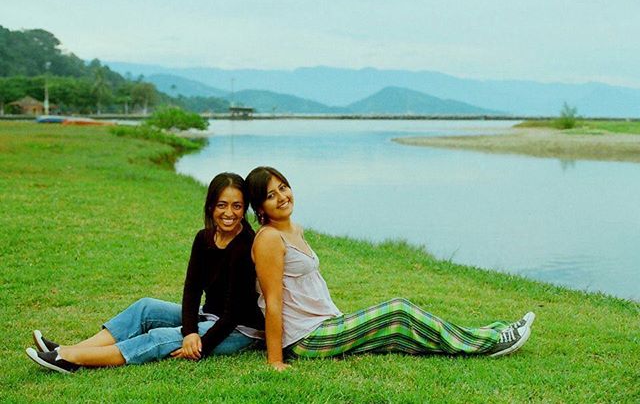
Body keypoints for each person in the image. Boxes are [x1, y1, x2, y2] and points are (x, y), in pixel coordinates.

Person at [245, 166, 535, 371]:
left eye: (283, 187)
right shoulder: (269, 238)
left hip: (325, 324)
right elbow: (272, 301)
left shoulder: (294, 229)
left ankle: (492, 332)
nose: (282, 196)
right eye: (271, 195)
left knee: (399, 333)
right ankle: (491, 342)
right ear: (260, 207)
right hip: (306, 338)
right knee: (398, 310)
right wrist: (275, 360)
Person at [26, 172, 264, 374]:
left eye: (237, 206)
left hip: (237, 330)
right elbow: (192, 289)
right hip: (209, 315)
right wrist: (191, 330)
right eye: (222, 205)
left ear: (244, 209)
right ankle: (69, 349)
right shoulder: (204, 237)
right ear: (211, 206)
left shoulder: (246, 245)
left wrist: (200, 343)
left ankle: (72, 359)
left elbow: (234, 313)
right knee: (145, 307)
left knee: (160, 337)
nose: (229, 213)